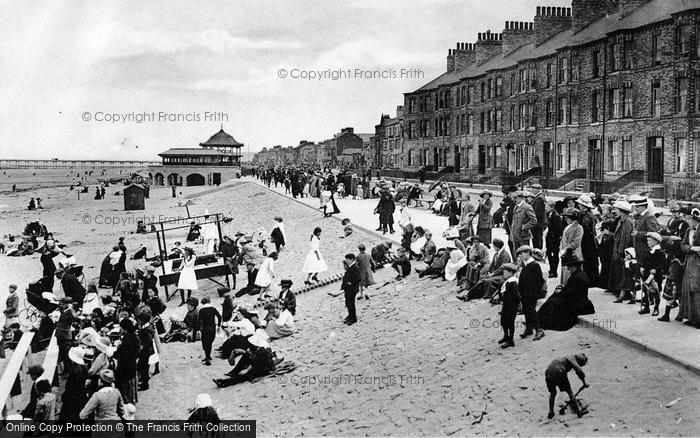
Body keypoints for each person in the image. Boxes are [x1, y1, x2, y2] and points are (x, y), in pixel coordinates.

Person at [538, 252, 595, 331]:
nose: (568, 269)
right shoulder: (582, 274)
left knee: (553, 301)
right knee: (554, 299)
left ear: (574, 266)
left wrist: (559, 292)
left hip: (576, 304)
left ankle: (540, 321)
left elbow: (570, 294)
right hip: (582, 301)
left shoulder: (575, 277)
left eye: (569, 266)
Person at [545, 354, 589, 419]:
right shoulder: (573, 359)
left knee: (553, 393)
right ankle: (579, 412)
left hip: (548, 371)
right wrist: (584, 382)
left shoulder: (566, 357)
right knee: (570, 392)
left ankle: (551, 412)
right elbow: (578, 370)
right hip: (558, 371)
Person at [517, 245, 545, 341]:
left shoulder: (534, 265)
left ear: (528, 253)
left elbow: (539, 280)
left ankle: (539, 329)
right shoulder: (526, 264)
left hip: (531, 293)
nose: (520, 256)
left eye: (522, 253)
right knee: (526, 310)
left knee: (531, 311)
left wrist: (535, 292)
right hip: (524, 292)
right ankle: (529, 329)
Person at [609, 201, 635, 300]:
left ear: (622, 211)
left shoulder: (627, 221)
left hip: (621, 250)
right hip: (618, 248)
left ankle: (623, 292)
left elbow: (625, 237)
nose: (616, 211)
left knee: (622, 272)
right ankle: (619, 290)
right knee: (618, 271)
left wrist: (621, 250)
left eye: (618, 210)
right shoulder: (622, 220)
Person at [640, 232, 667, 316]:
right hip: (647, 274)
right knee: (646, 290)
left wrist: (656, 269)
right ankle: (646, 307)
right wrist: (642, 267)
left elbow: (664, 264)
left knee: (656, 292)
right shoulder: (648, 251)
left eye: (650, 241)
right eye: (647, 240)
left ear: (656, 242)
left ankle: (656, 308)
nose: (648, 242)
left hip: (656, 276)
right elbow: (645, 261)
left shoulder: (660, 252)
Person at [575, 195, 600, 286]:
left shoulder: (587, 216)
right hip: (587, 240)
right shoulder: (587, 214)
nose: (579, 206)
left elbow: (585, 228)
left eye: (580, 205)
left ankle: (591, 280)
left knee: (588, 260)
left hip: (587, 240)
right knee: (589, 260)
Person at [114, 318, 140, 405]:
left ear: (124, 328)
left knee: (124, 389)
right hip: (132, 365)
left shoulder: (127, 339)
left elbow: (121, 355)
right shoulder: (135, 337)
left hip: (125, 368)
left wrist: (116, 352)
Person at [630, 196, 659, 268]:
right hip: (639, 250)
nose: (635, 208)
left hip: (645, 250)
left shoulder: (649, 216)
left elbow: (653, 233)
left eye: (637, 206)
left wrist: (638, 234)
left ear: (643, 207)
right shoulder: (641, 216)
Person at [497, 263, 520, 349]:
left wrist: (516, 305)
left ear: (511, 273)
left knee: (510, 323)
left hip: (511, 306)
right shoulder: (509, 281)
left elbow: (517, 296)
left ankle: (510, 340)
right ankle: (506, 336)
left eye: (505, 272)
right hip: (507, 305)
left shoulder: (512, 282)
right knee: (504, 321)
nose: (504, 274)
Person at [559, 208, 583, 285]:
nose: (566, 219)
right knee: (565, 274)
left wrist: (565, 249)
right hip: (565, 253)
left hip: (574, 254)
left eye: (567, 217)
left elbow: (576, 242)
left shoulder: (579, 228)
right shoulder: (567, 227)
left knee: (572, 275)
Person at [199, 297, 221, 366]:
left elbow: (199, 321)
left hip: (205, 328)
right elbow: (219, 317)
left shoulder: (201, 310)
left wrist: (200, 328)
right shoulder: (213, 309)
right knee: (210, 342)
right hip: (212, 328)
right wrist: (219, 326)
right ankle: (208, 356)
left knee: (205, 343)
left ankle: (207, 357)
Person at [341, 253, 362, 325]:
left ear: (352, 259)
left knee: (351, 303)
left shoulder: (355, 267)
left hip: (352, 289)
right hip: (348, 288)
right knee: (348, 303)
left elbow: (358, 278)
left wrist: (351, 283)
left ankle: (353, 318)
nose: (346, 261)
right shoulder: (351, 266)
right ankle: (350, 315)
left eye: (347, 260)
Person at [544, 202, 564, 278]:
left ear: (552, 207)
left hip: (554, 239)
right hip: (550, 237)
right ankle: (552, 269)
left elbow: (558, 229)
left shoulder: (556, 216)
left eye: (547, 207)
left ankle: (554, 271)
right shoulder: (549, 214)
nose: (546, 209)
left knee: (554, 255)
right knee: (549, 253)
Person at [529, 184, 546, 249]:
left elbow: (537, 212)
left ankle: (537, 253)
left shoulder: (539, 198)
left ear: (538, 189)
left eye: (534, 188)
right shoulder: (538, 197)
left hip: (537, 224)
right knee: (537, 239)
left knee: (536, 240)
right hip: (538, 223)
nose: (532, 190)